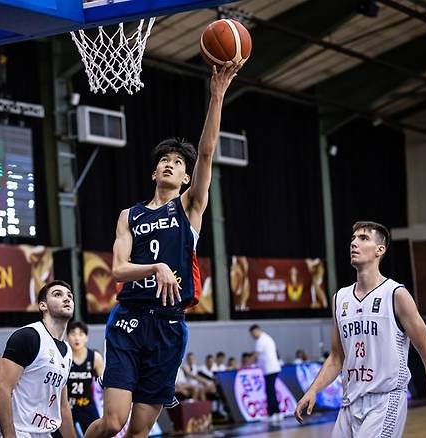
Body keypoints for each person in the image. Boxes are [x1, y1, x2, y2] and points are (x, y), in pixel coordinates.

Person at [83, 62, 243, 438]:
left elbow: (206, 153)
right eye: (164, 161)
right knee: (112, 421)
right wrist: (154, 268)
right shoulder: (130, 215)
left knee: (139, 431)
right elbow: (118, 269)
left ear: (187, 178)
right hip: (128, 319)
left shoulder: (189, 208)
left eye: (177, 163)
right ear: (154, 172)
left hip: (169, 325)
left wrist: (216, 96)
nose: (170, 164)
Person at [294, 221, 426, 437]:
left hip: (386, 399)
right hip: (350, 402)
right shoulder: (340, 299)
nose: (354, 243)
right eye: (353, 238)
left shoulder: (396, 295)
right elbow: (337, 357)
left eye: (363, 238)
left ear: (379, 250)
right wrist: (313, 390)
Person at [0, 280, 76, 438]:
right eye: (58, 294)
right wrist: (10, 436)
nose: (67, 299)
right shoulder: (27, 336)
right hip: (16, 428)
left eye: (70, 296)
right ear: (43, 306)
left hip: (42, 430)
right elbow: (2, 390)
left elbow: (63, 406)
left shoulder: (68, 351)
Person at [66, 321, 104, 435]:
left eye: (81, 334)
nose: (77, 338)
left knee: (99, 434)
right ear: (67, 337)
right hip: (66, 408)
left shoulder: (95, 358)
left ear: (86, 337)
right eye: (73, 334)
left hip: (87, 405)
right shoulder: (63, 357)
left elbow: (106, 385)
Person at [249, 325, 283, 424]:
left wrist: (244, 365)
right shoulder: (267, 338)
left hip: (270, 369)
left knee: (269, 391)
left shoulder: (261, 340)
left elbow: (255, 355)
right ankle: (276, 412)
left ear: (256, 331)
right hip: (270, 369)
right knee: (270, 391)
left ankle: (273, 413)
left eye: (252, 334)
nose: (252, 336)